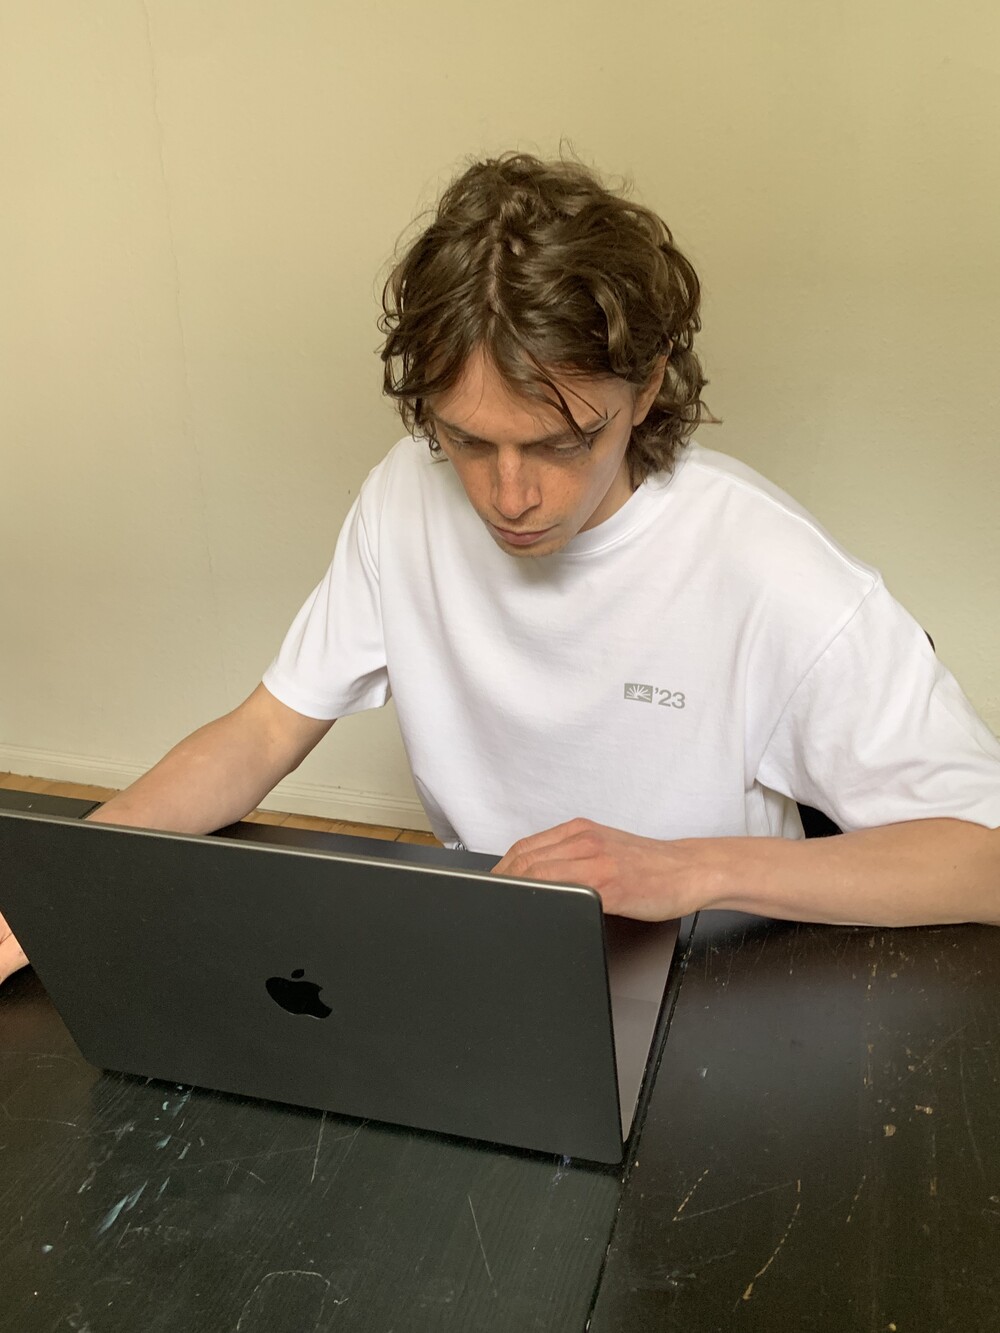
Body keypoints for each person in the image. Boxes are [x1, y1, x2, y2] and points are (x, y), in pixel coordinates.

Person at [2, 153, 999, 986]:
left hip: (714, 984)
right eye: (469, 440)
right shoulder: (404, 494)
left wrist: (686, 869)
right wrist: (51, 896)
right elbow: (264, 730)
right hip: (490, 959)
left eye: (563, 442)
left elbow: (986, 861)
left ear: (647, 385)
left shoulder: (772, 571)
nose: (507, 495)